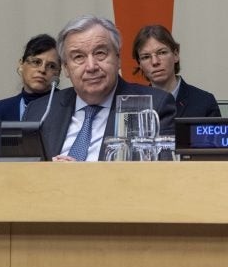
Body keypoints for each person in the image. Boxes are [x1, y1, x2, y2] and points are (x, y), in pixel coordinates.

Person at [24, 15, 176, 161]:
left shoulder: (154, 106)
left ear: (118, 59)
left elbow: (160, 177)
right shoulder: (39, 112)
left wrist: (80, 175)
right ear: (65, 68)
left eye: (100, 53)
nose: (91, 67)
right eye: (78, 57)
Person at [132, 25, 221, 118]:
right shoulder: (134, 107)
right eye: (146, 57)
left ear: (175, 55)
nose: (155, 62)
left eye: (162, 52)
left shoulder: (205, 102)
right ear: (140, 65)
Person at [0, 34, 61, 121]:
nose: (42, 70)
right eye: (36, 62)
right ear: (21, 64)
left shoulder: (68, 107)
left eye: (51, 66)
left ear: (58, 73)